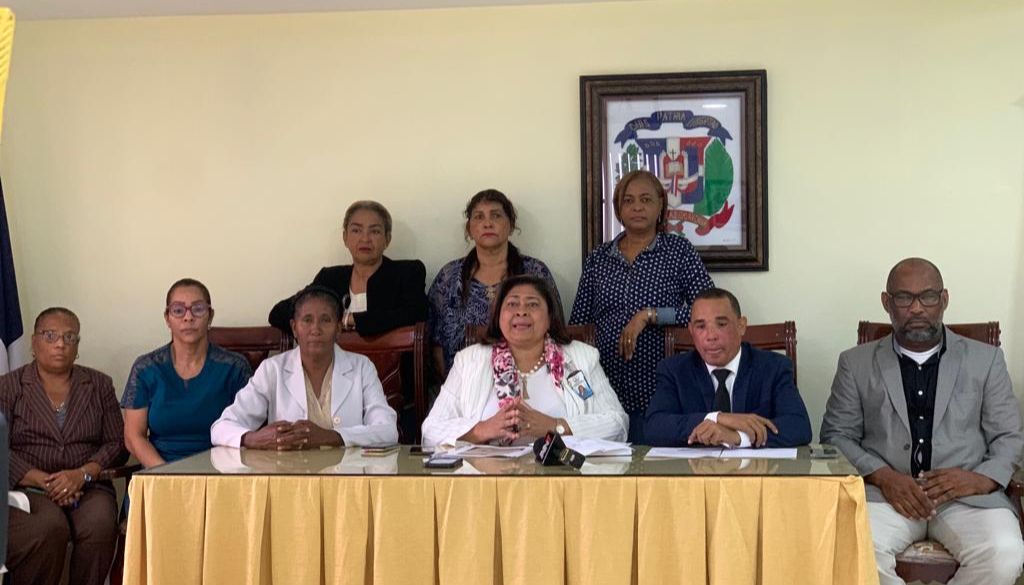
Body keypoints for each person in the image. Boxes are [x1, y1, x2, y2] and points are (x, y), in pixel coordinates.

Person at [820, 258, 1024, 585]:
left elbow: (1009, 437)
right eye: (904, 297)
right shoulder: (855, 363)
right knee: (853, 550)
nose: (916, 308)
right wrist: (884, 477)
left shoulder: (986, 360)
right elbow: (836, 436)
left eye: (927, 296)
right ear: (887, 302)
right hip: (886, 497)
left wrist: (980, 479)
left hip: (967, 498)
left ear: (944, 299)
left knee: (1004, 554)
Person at [570, 170, 714, 444]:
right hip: (605, 388)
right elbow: (578, 325)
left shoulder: (678, 252)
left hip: (661, 386)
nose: (637, 207)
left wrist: (651, 316)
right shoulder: (598, 258)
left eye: (646, 199)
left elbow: (707, 314)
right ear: (618, 209)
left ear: (660, 207)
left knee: (657, 463)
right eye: (629, 200)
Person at [422, 275, 627, 448]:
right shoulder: (468, 361)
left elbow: (617, 423)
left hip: (561, 475)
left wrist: (555, 426)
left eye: (532, 304)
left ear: (549, 317)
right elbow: (431, 430)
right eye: (512, 304)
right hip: (489, 475)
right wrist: (482, 430)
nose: (521, 311)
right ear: (498, 316)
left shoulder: (582, 358)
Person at [1, 308, 124, 585]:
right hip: (27, 488)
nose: (60, 344)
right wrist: (44, 481)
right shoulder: (8, 386)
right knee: (47, 528)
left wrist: (82, 474)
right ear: (34, 342)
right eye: (50, 336)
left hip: (88, 486)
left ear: (77, 346)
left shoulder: (99, 384)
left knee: (99, 524)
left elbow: (116, 442)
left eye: (69, 337)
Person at [212, 285, 398, 448]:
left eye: (325, 320)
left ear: (338, 328)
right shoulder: (272, 369)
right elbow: (221, 427)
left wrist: (332, 437)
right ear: (294, 328)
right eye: (307, 320)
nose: (315, 329)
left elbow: (388, 431)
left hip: (348, 474)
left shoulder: (361, 367)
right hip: (289, 474)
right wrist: (254, 439)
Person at [645, 288, 811, 448]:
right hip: (696, 466)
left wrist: (738, 436)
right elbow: (653, 427)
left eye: (721, 324)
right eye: (701, 326)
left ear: (741, 326)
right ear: (691, 331)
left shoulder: (774, 367)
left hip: (756, 467)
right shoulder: (674, 370)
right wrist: (717, 418)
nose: (711, 336)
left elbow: (799, 426)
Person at [428, 189, 561, 380]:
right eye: (479, 217)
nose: (487, 223)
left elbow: (555, 331)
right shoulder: (449, 277)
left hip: (528, 380)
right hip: (463, 383)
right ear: (469, 229)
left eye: (496, 216)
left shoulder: (535, 272)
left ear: (511, 225)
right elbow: (435, 344)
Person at [122, 278, 252, 471]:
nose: (188, 317)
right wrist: (168, 475)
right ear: (167, 318)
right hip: (160, 472)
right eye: (178, 310)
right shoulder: (146, 368)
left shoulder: (234, 367)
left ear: (210, 316)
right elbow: (133, 437)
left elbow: (248, 433)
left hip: (220, 473)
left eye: (198, 309)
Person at [268, 200, 428, 337]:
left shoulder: (407, 273)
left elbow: (416, 313)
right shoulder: (329, 278)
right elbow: (279, 313)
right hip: (334, 363)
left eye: (375, 231)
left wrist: (348, 319)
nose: (365, 238)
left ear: (387, 239)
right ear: (345, 238)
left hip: (390, 364)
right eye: (356, 230)